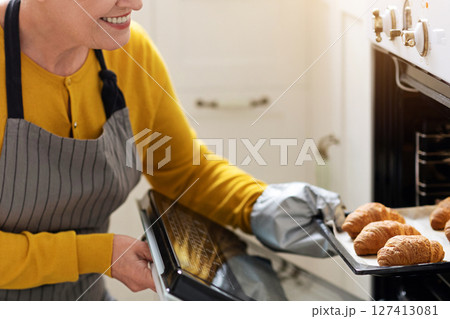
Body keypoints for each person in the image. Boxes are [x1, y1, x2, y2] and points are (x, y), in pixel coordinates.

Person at [0, 0, 344, 301]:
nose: (135, 3)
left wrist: (262, 206)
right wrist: (97, 254)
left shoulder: (129, 52)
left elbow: (183, 172)